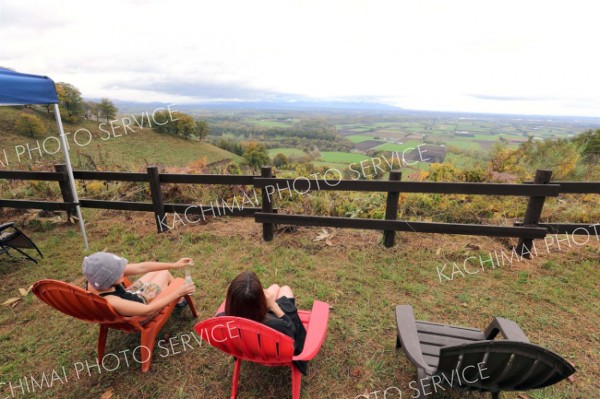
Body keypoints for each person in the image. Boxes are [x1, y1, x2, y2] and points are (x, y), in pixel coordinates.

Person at [220, 270, 308, 374]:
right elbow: (293, 332)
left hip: (248, 345)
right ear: (260, 302)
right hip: (273, 347)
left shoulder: (221, 322)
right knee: (285, 289)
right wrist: (274, 306)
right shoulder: (278, 325)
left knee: (274, 287)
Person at [83, 251, 195, 317]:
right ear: (108, 280)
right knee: (164, 273)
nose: (123, 272)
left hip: (128, 295)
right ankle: (179, 300)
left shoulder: (96, 280)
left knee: (160, 271)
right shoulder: (112, 301)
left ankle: (179, 300)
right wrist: (178, 293)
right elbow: (148, 310)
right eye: (119, 272)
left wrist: (174, 264)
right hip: (140, 306)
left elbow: (142, 267)